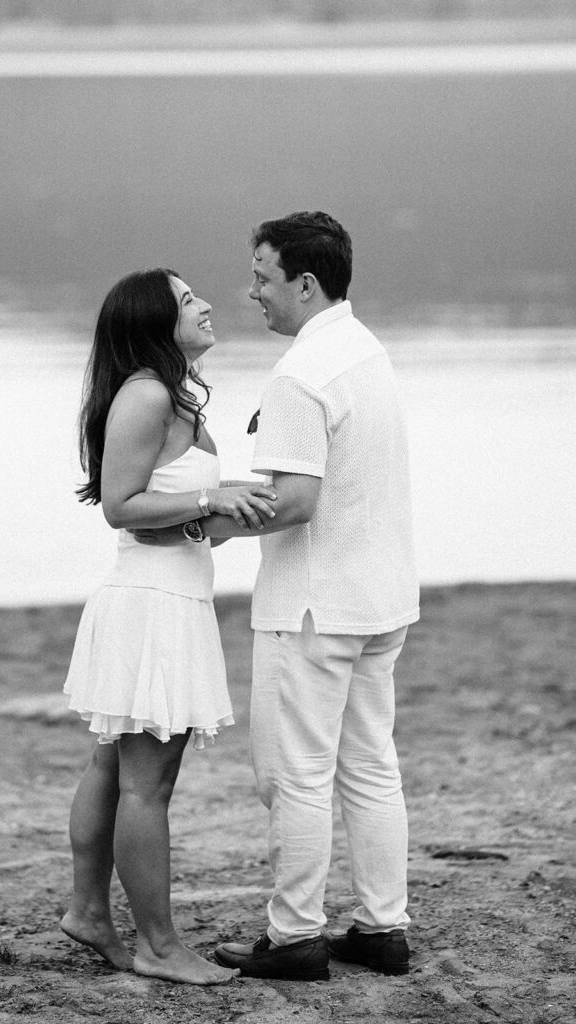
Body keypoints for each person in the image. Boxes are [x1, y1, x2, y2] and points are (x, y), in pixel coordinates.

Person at [157, 211, 419, 980]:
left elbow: (296, 500)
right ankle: (381, 928)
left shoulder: (301, 374)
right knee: (370, 764)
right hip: (379, 595)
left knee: (294, 775)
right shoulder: (363, 351)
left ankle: (295, 935)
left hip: (313, 605)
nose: (251, 293)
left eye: (263, 278)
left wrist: (198, 526)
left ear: (305, 283)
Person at [60, 267, 276, 986]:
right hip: (150, 606)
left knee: (114, 767)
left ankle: (89, 911)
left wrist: (233, 508)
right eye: (187, 302)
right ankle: (157, 945)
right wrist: (217, 493)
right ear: (156, 321)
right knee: (147, 784)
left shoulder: (175, 397)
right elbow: (122, 508)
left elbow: (183, 524)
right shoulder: (148, 393)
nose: (207, 304)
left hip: (167, 593)